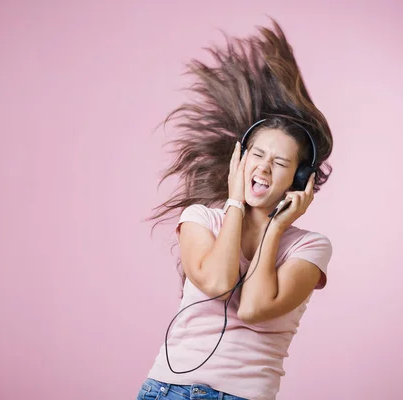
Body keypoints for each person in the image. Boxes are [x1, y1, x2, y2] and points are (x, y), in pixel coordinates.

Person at [137, 18, 334, 400]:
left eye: (278, 163)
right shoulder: (200, 219)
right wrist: (233, 203)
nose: (262, 167)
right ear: (238, 160)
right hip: (164, 390)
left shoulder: (310, 248)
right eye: (256, 155)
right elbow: (218, 282)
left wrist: (275, 228)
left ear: (299, 179)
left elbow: (254, 308)